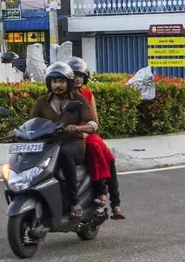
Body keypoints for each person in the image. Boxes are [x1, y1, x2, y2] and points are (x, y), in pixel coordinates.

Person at [30, 61, 95, 215]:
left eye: (61, 81)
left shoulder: (78, 100)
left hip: (73, 142)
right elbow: (31, 123)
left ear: (69, 83)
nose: (57, 85)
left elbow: (92, 123)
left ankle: (74, 202)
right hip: (49, 144)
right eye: (54, 81)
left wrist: (78, 128)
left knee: (64, 153)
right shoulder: (41, 102)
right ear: (49, 83)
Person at [69, 58, 122, 220]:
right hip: (68, 137)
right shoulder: (61, 95)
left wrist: (84, 132)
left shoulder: (88, 94)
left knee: (103, 153)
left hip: (87, 134)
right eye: (74, 75)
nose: (78, 78)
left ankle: (112, 199)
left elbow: (95, 122)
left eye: (81, 75)